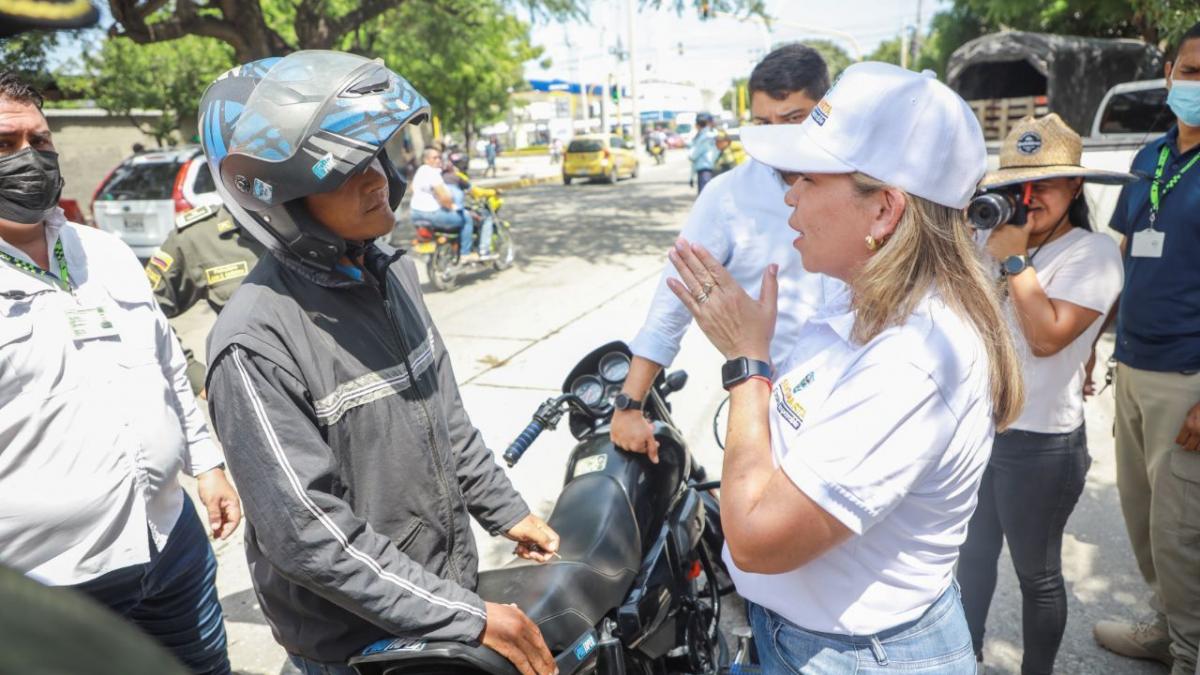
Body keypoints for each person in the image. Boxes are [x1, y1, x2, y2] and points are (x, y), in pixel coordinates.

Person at [197, 52, 560, 675]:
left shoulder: (390, 274)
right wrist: (466, 616)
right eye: (345, 169)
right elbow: (305, 534)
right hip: (355, 649)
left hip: (437, 612)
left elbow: (443, 415)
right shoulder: (253, 341)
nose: (378, 180)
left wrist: (506, 510)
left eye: (377, 157)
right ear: (282, 200)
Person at [671, 61, 1023, 673]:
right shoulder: (861, 300)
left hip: (859, 657)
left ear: (884, 211)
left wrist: (747, 364)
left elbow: (756, 540)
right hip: (808, 639)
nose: (789, 193)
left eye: (806, 177)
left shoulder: (916, 358)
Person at [0, 72, 241, 674]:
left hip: (171, 544)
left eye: (40, 140)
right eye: (4, 145)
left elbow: (163, 364)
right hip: (52, 583)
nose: (29, 158)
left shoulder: (102, 253)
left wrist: (206, 463)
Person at [955, 114, 1132, 675]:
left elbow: (1048, 336)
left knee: (1037, 572)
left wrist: (1013, 260)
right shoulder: (989, 236)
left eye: (1045, 185)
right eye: (1015, 186)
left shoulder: (1093, 253)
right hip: (980, 433)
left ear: (1075, 186)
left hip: (1042, 445)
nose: (1027, 199)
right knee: (972, 558)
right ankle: (965, 659)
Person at [613, 43, 840, 460]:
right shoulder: (727, 197)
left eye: (793, 119)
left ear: (826, 109)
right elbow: (672, 303)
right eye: (762, 122)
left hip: (858, 408)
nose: (778, 135)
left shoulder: (862, 185)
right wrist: (630, 403)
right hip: (770, 414)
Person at [1093, 22, 1200, 675]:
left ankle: (1191, 652)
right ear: (1168, 73)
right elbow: (1125, 257)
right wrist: (1091, 343)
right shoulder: (1150, 159)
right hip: (1131, 364)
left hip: (1187, 378)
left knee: (1182, 530)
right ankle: (1167, 625)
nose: (1198, 84)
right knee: (1141, 513)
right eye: (1191, 70)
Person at [145, 203, 265, 394]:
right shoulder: (197, 237)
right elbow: (144, 312)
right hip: (258, 393)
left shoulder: (313, 213)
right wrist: (195, 375)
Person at [410, 147, 486, 261]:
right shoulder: (432, 172)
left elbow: (412, 188)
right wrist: (452, 207)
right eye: (434, 158)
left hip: (415, 214)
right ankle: (465, 253)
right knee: (466, 217)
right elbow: (444, 197)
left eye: (439, 157)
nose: (438, 160)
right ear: (426, 160)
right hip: (431, 214)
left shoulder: (420, 171)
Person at [688, 112, 718, 194]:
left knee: (705, 199)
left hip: (705, 171)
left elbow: (693, 156)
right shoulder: (712, 134)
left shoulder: (704, 137)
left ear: (697, 124)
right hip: (710, 169)